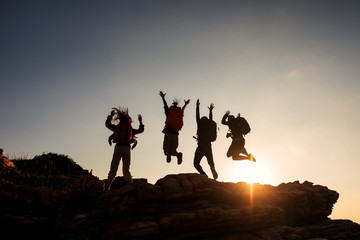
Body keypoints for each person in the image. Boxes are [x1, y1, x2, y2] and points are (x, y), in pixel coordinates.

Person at [105, 107, 144, 190]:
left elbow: (107, 125)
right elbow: (141, 130)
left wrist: (110, 117)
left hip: (118, 147)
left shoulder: (117, 128)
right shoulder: (130, 129)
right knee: (126, 169)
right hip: (127, 148)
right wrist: (140, 121)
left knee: (113, 169)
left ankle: (107, 188)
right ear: (129, 121)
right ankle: (130, 187)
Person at [159, 91, 190, 164]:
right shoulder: (179, 112)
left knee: (166, 150)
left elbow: (165, 106)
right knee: (173, 150)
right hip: (176, 134)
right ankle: (178, 154)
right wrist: (185, 104)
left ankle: (168, 154)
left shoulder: (169, 112)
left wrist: (163, 97)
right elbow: (183, 110)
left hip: (168, 132)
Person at [193, 99, 218, 179]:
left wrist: (197, 106)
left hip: (201, 146)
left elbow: (197, 115)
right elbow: (211, 119)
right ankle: (213, 169)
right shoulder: (209, 124)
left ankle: (203, 174)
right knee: (211, 163)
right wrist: (210, 111)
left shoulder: (199, 123)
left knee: (196, 163)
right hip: (208, 146)